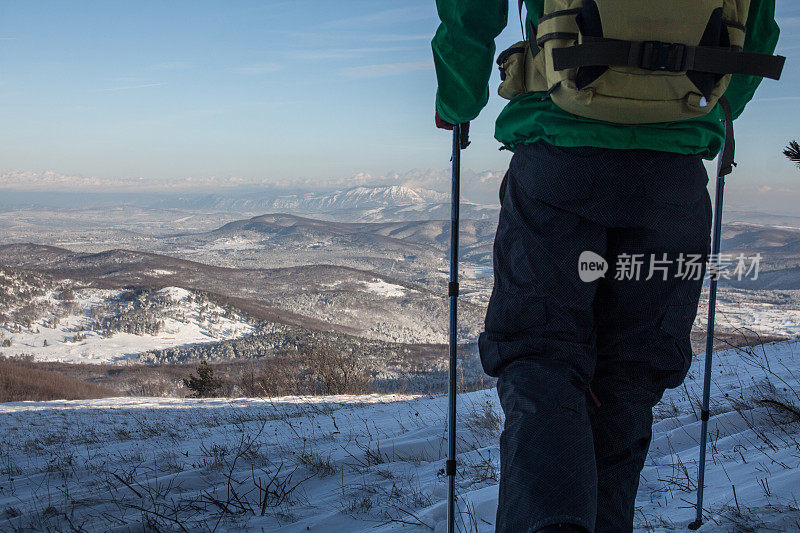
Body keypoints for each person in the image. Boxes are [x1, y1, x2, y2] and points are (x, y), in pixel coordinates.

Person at [432, 1, 781, 532]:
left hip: (559, 154)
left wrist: (457, 98)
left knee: (540, 355)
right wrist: (699, 106)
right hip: (676, 177)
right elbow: (757, 30)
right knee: (632, 373)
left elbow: (471, 10)